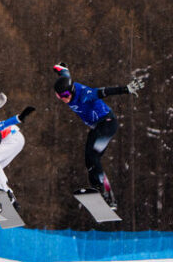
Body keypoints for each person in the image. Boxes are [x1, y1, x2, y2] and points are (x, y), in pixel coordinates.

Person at [52, 62, 145, 209]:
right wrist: (60, 68)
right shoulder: (67, 87)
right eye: (60, 96)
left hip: (107, 123)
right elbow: (65, 73)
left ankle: (106, 194)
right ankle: (99, 190)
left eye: (65, 95)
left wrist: (125, 89)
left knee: (93, 156)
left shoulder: (84, 94)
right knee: (90, 161)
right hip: (98, 127)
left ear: (71, 90)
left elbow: (103, 92)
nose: (64, 98)